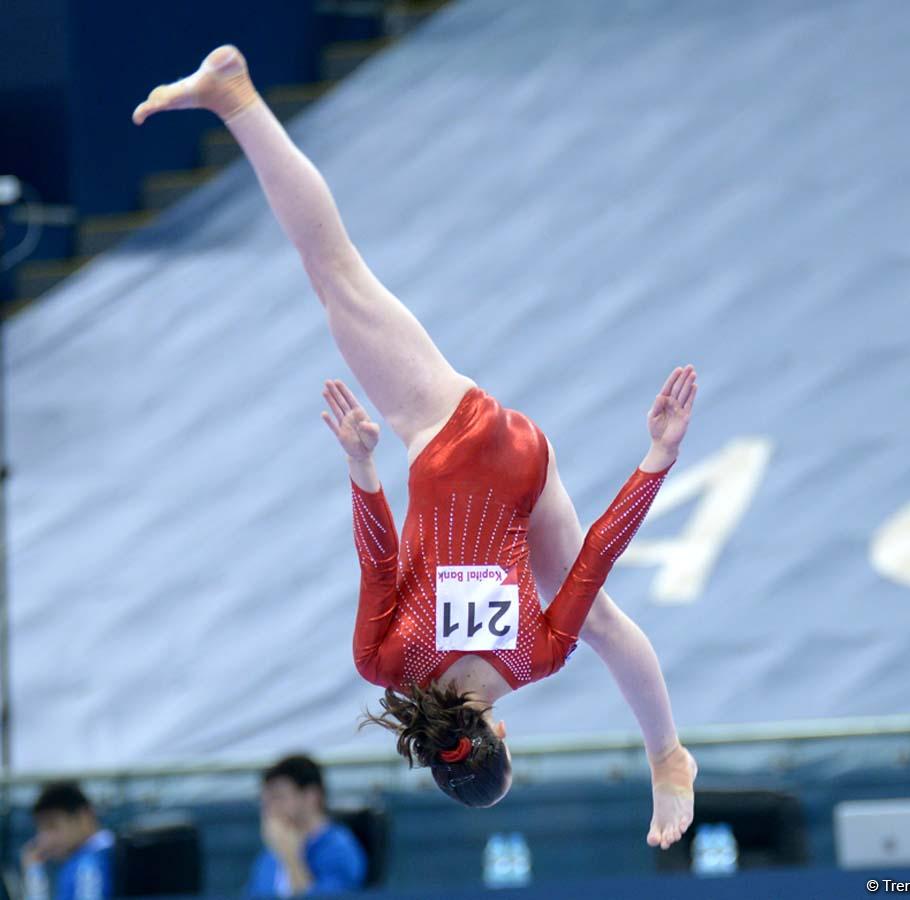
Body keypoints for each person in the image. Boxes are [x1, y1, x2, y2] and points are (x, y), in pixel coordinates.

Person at [133, 45, 698, 850]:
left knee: (601, 615)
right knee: (332, 270)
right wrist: (363, 471)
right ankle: (235, 100)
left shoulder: (535, 660)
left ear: (500, 739)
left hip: (520, 467)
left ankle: (669, 755)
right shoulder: (388, 663)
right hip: (447, 440)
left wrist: (658, 458)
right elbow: (377, 560)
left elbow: (599, 555)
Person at [247, 754, 367, 897]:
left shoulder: (338, 850)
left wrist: (290, 858)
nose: (269, 809)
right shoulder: (269, 856)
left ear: (311, 796)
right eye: (265, 801)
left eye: (278, 797)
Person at [21, 782, 114, 900]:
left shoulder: (88, 863)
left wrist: (34, 876)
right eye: (40, 830)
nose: (44, 839)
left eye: (52, 826)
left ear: (83, 817)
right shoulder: (97, 856)